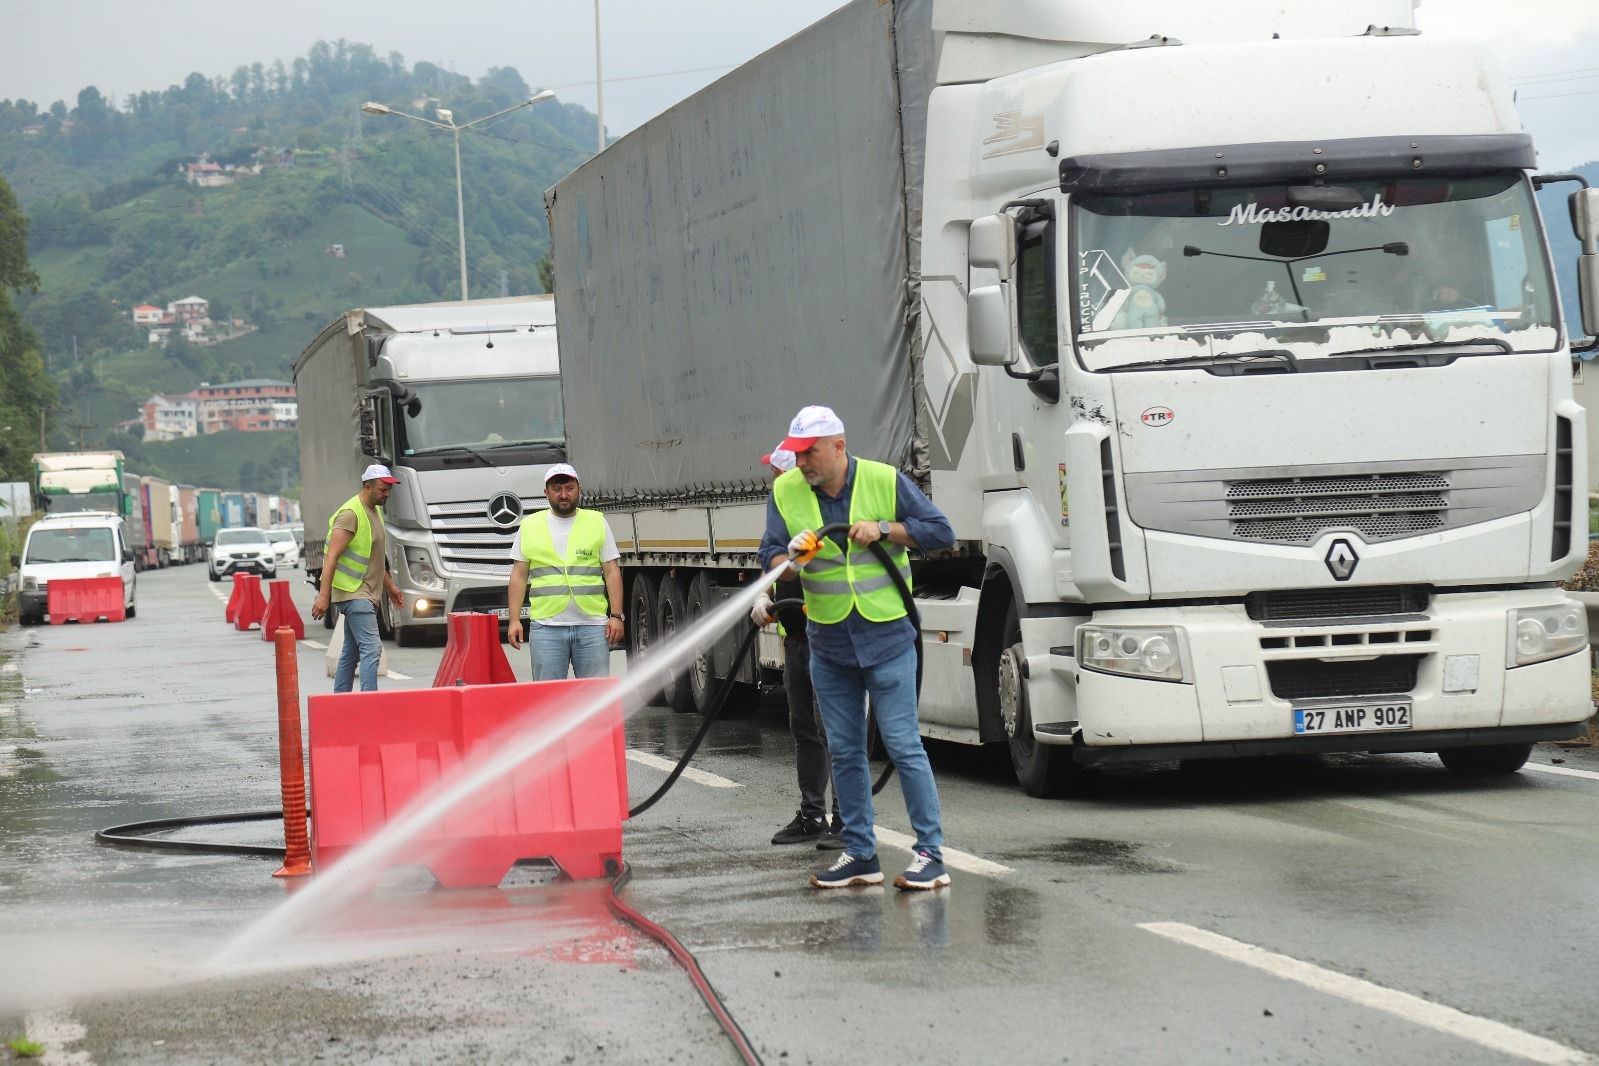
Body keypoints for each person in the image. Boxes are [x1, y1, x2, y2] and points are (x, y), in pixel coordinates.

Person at [758, 405, 956, 891]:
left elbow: (941, 532)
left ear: (839, 446)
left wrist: (887, 530)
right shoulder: (786, 490)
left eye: (811, 454)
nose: (802, 463)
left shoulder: (884, 481)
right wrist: (792, 561)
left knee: (904, 746)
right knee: (845, 751)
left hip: (886, 635)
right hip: (829, 641)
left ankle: (930, 855)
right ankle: (861, 853)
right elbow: (770, 556)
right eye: (797, 455)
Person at [753, 445, 843, 850]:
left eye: (777, 473)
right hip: (797, 639)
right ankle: (812, 814)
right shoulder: (784, 516)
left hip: (830, 641)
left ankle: (846, 819)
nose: (773, 481)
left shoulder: (818, 517)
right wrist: (764, 598)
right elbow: (779, 567)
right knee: (805, 730)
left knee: (836, 732)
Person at [507, 463, 625, 680]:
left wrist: (616, 616)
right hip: (547, 627)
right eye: (557, 489)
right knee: (549, 700)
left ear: (579, 489)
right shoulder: (530, 526)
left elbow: (611, 570)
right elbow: (519, 574)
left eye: (569, 488)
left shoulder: (596, 521)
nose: (563, 495)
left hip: (592, 626)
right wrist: (514, 620)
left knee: (595, 698)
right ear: (546, 493)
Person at [310, 463, 404, 693]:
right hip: (353, 592)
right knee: (372, 648)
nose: (387, 494)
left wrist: (390, 586)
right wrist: (324, 596)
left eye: (389, 489)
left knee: (351, 652)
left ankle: (341, 700)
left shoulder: (375, 510)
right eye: (383, 489)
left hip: (364, 592)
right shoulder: (350, 514)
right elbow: (331, 556)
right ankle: (368, 702)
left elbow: (375, 556)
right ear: (367, 486)